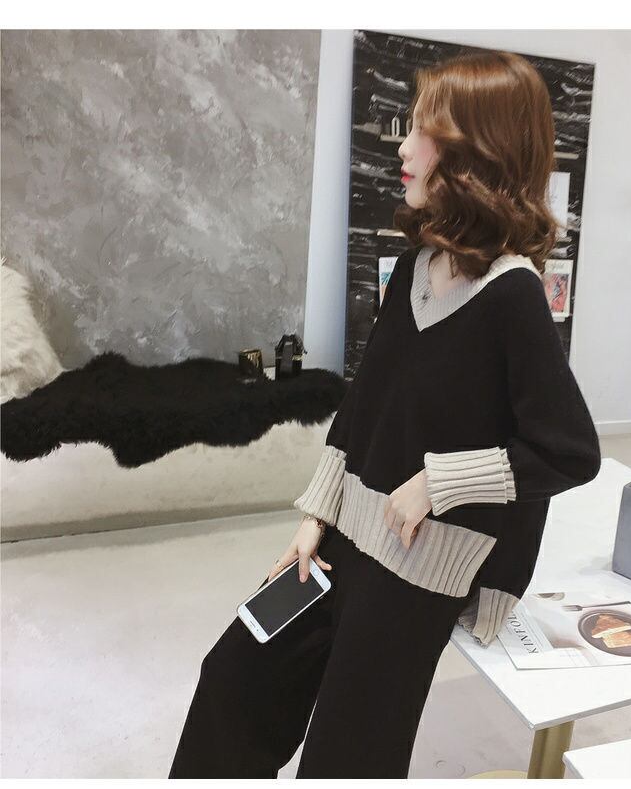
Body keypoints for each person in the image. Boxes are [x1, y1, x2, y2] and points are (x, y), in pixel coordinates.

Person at [168, 50, 601, 779]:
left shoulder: (514, 295)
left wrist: (438, 483)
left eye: (422, 132)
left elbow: (568, 451)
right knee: (235, 678)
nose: (402, 148)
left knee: (346, 756)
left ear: (473, 152)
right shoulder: (414, 267)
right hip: (345, 535)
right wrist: (315, 516)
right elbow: (367, 404)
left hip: (417, 567)